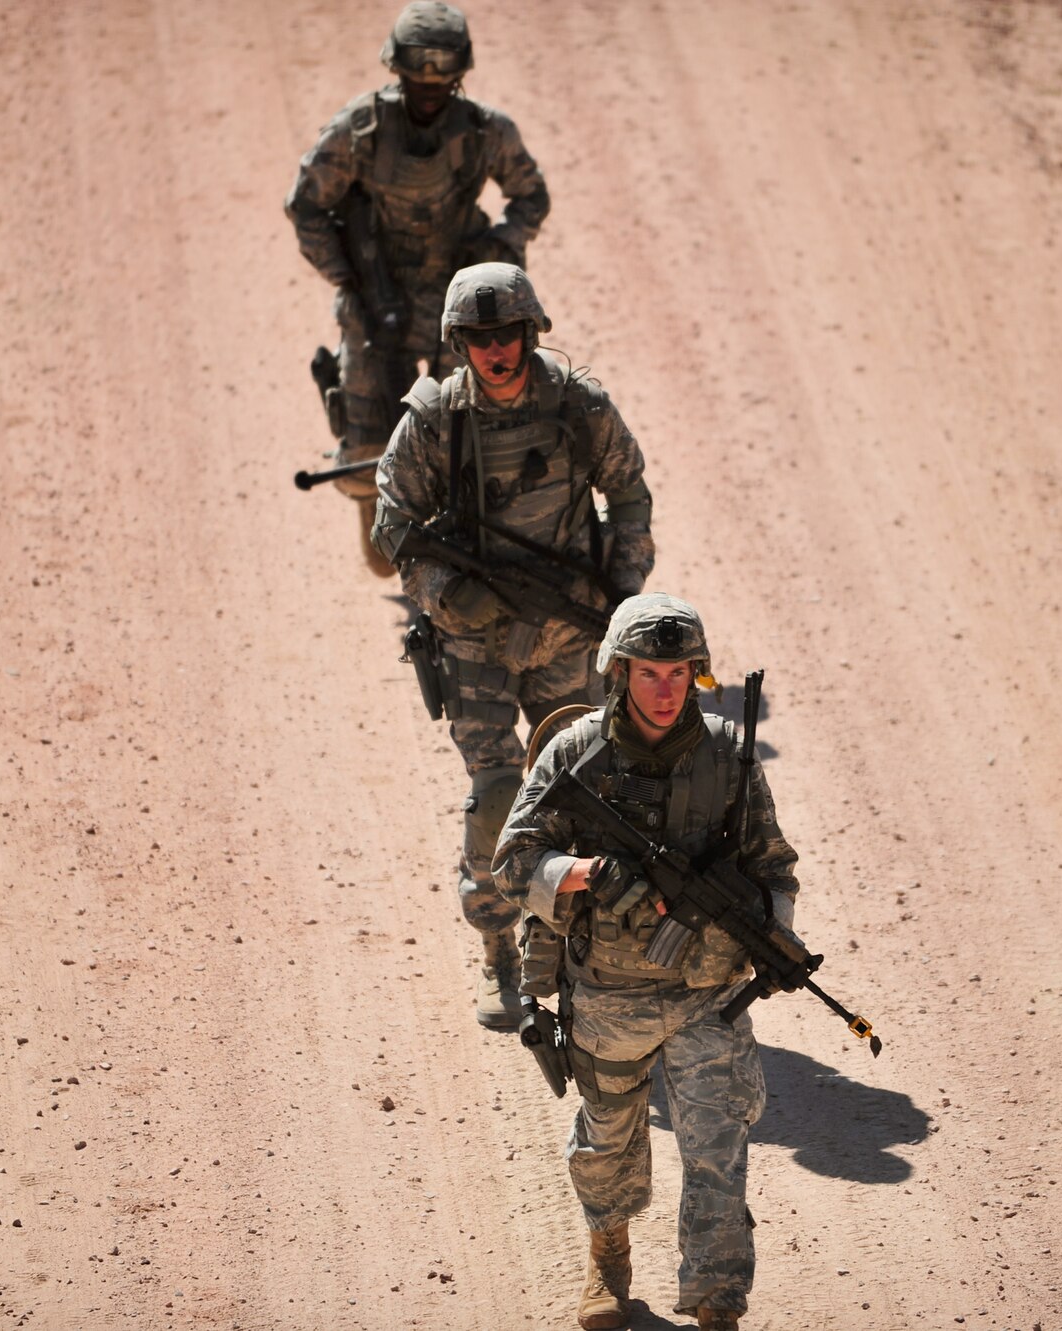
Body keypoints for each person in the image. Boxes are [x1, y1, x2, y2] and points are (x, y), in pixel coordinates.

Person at [492, 594, 794, 1331]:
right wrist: (587, 873)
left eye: (679, 672)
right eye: (649, 672)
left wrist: (774, 939)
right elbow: (512, 860)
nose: (665, 689)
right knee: (607, 1142)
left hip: (707, 994)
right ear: (618, 672)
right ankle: (609, 1255)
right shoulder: (576, 755)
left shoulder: (729, 754)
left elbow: (773, 866)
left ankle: (718, 1296)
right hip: (608, 991)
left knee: (719, 1146)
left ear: (698, 674)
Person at [372, 261, 654, 1030]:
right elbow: (393, 523)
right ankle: (499, 949)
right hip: (474, 643)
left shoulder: (576, 406)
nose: (496, 350)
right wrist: (449, 596)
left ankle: (579, 951)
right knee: (499, 792)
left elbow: (628, 491)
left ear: (530, 334)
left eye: (507, 335)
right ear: (458, 343)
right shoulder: (434, 419)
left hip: (568, 631)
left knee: (583, 796)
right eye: (479, 338)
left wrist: (622, 600)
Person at [286, 1, 551, 577]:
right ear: (396, 65)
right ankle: (376, 505)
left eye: (442, 64)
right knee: (365, 462)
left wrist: (500, 253)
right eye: (417, 64)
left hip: (460, 305)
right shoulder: (361, 130)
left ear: (461, 68)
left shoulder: (485, 131)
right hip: (376, 301)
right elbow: (305, 203)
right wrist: (347, 276)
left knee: (483, 436)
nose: (429, 79)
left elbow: (531, 194)